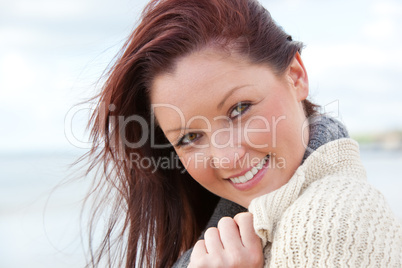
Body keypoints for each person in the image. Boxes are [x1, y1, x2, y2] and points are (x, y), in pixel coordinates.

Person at [84, 0, 402, 267]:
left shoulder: (328, 222)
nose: (227, 157)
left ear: (295, 76)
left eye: (240, 109)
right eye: (189, 138)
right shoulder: (244, 229)